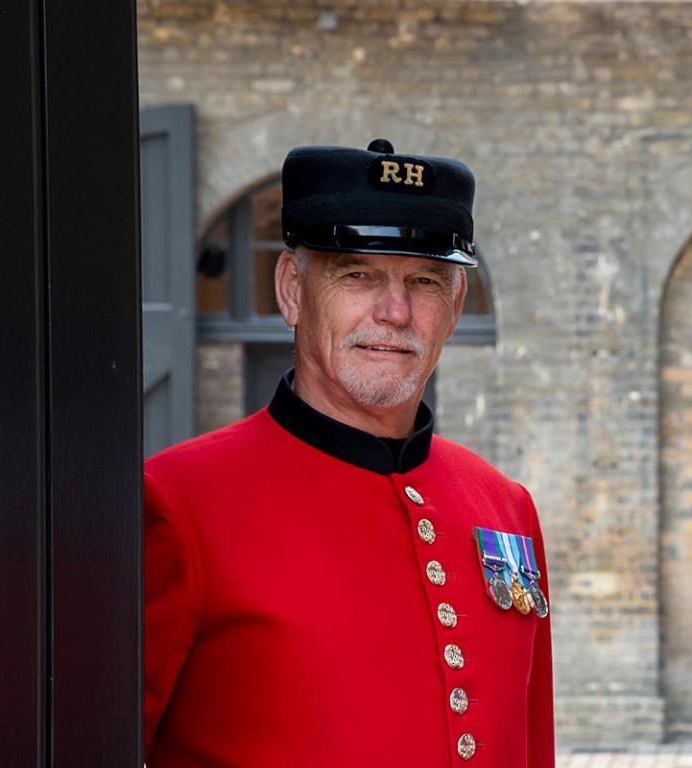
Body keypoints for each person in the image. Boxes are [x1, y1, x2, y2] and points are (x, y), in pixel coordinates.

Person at [143, 139, 553, 766]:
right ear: (292, 290)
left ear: (455, 308)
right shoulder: (178, 502)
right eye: (357, 274)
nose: (395, 312)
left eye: (424, 281)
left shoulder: (504, 507)